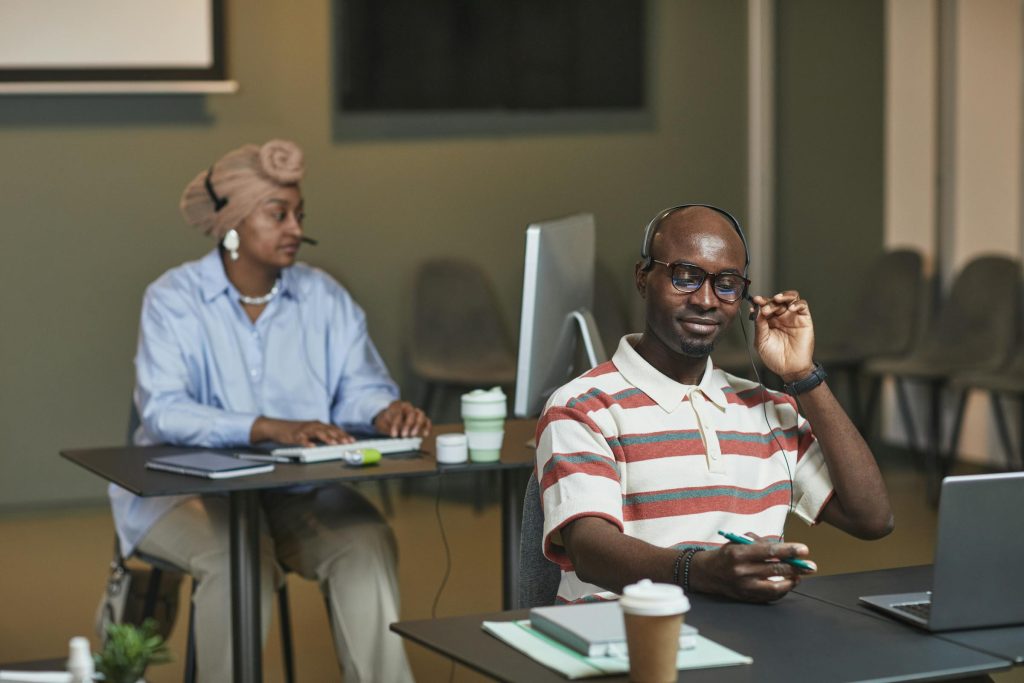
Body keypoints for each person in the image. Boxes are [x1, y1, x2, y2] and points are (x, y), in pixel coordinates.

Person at [108, 139, 426, 682]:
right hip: (183, 493)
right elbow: (163, 411)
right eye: (277, 215)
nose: (295, 229)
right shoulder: (173, 299)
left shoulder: (324, 297)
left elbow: (358, 385)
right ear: (231, 225)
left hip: (293, 492)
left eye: (299, 215)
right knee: (240, 569)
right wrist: (268, 427)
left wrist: (381, 411)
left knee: (366, 543)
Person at [535, 204, 893, 605]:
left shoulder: (767, 408)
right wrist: (700, 570)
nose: (706, 300)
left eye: (727, 283)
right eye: (685, 277)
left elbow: (872, 518)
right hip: (628, 637)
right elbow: (590, 551)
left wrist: (803, 377)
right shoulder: (582, 406)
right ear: (642, 278)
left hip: (748, 639)